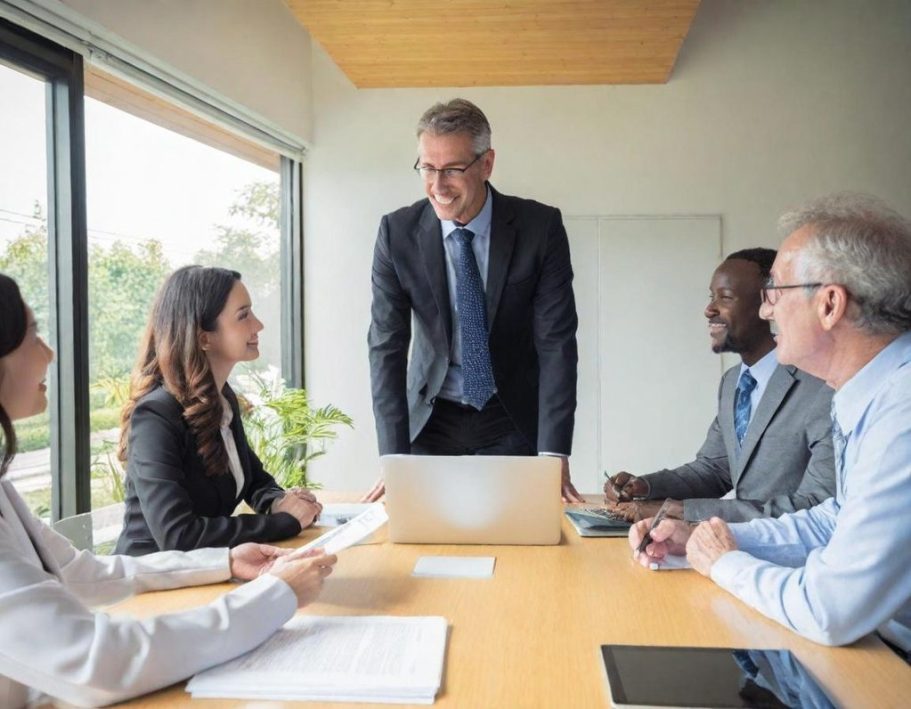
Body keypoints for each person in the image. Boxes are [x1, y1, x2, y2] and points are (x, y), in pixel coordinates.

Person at [0, 271, 337, 707]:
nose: (49, 354)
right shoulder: (157, 413)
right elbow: (97, 660)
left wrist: (226, 561)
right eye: (33, 335)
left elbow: (81, 572)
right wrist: (275, 594)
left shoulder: (3, 489)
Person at [631, 193, 911, 658]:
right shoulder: (865, 393)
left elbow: (831, 611)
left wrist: (725, 562)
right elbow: (834, 522)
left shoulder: (901, 414)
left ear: (829, 304)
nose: (766, 311)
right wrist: (707, 537)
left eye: (776, 292)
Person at [366, 98, 581, 501]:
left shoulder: (539, 229)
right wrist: (392, 455)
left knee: (519, 543)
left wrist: (554, 452)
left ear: (486, 163)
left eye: (452, 169)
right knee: (423, 545)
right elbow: (386, 347)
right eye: (427, 168)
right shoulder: (397, 233)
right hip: (429, 420)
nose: (438, 185)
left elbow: (556, 343)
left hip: (510, 415)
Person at [604, 249, 835, 523]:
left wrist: (682, 511)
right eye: (711, 297)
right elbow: (715, 470)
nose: (709, 309)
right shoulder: (732, 382)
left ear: (768, 304)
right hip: (734, 551)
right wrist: (645, 486)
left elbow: (816, 504)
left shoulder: (822, 384)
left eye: (725, 298)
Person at [115, 265, 321, 555]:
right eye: (243, 315)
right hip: (151, 584)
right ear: (203, 338)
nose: (258, 325)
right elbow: (178, 536)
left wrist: (279, 501)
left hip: (204, 575)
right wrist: (283, 523)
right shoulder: (156, 416)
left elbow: (254, 480)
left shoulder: (222, 399)